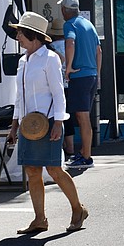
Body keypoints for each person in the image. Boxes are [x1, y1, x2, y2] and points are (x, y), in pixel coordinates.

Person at [6, 12, 88, 234]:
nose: (17, 37)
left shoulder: (50, 59)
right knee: (32, 171)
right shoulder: (23, 60)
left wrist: (58, 123)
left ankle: (78, 209)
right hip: (28, 125)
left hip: (49, 122)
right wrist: (14, 126)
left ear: (32, 35)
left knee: (54, 169)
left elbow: (58, 93)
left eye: (20, 33)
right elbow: (19, 96)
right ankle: (40, 219)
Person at [58, 0, 102, 170]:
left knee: (82, 117)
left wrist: (68, 67)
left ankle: (86, 157)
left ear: (64, 10)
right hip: (90, 75)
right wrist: (97, 73)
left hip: (80, 76)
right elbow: (99, 51)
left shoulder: (70, 24)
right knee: (83, 116)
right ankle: (85, 152)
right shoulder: (88, 24)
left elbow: (70, 43)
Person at [47, 25, 75, 160]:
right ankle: (71, 146)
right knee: (68, 114)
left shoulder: (50, 48)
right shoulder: (71, 46)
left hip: (57, 84)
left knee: (57, 114)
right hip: (70, 83)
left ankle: (62, 145)